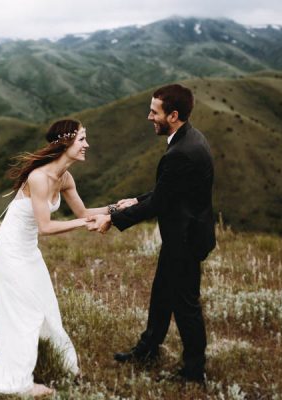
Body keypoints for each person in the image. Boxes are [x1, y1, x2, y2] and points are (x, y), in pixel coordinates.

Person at [0, 119, 112, 396]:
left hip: (28, 251)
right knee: (24, 312)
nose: (87, 144)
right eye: (82, 139)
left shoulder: (65, 178)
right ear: (65, 143)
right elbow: (46, 227)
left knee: (46, 306)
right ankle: (21, 381)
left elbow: (83, 212)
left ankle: (63, 364)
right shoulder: (39, 178)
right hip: (10, 251)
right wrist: (85, 226)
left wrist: (118, 207)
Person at [87, 84, 216, 384]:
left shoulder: (180, 152)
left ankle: (194, 372)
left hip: (185, 240)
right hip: (184, 235)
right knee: (162, 295)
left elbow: (159, 203)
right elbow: (169, 190)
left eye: (154, 112)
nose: (148, 117)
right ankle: (148, 349)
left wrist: (112, 217)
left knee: (185, 307)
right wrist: (135, 199)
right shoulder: (189, 139)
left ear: (173, 115)